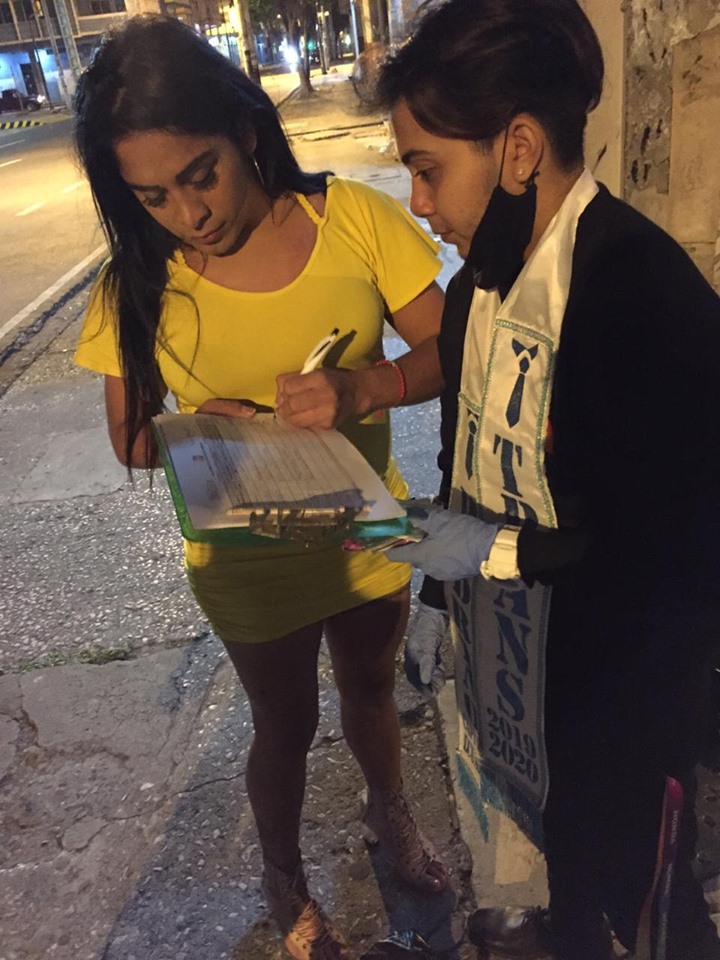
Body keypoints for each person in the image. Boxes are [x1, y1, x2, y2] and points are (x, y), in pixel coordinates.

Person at [73, 16, 449, 960]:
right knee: (284, 723)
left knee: (371, 689)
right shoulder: (137, 281)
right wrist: (203, 424)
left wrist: (365, 388)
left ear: (245, 129)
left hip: (364, 526)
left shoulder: (350, 218)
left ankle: (389, 812)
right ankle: (285, 878)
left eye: (200, 174)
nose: (188, 214)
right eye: (152, 195)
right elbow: (129, 439)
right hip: (243, 552)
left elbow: (455, 346)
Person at [374, 1, 720, 959]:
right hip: (515, 691)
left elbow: (671, 557)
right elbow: (462, 460)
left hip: (621, 708)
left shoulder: (637, 291)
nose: (419, 203)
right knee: (556, 886)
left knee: (646, 904)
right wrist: (436, 587)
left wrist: (486, 550)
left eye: (427, 168)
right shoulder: (474, 291)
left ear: (518, 149)